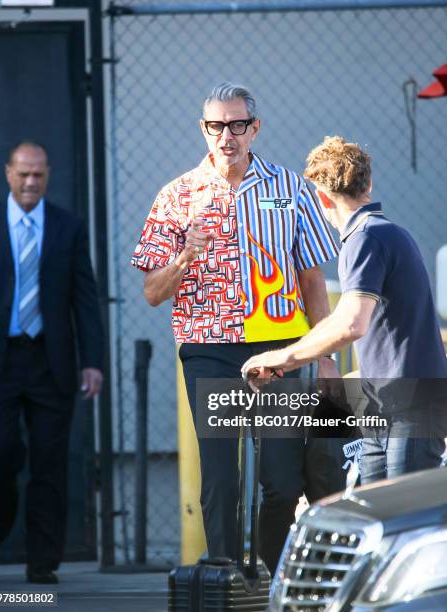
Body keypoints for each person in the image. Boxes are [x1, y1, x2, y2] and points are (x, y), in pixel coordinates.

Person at [131, 83, 342, 575]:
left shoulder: (290, 189)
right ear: (204, 129)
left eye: (237, 124)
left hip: (281, 349)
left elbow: (312, 277)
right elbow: (152, 292)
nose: (227, 136)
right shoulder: (176, 195)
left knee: (283, 481)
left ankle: (269, 579)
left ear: (255, 128)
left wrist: (326, 351)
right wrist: (186, 256)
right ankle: (224, 577)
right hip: (209, 348)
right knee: (222, 476)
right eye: (216, 126)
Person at [242, 135, 447, 484]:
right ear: (368, 183)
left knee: (402, 522)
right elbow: (345, 318)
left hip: (410, 407)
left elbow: (352, 325)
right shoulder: (384, 233)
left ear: (322, 198)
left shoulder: (366, 238)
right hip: (385, 407)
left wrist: (281, 359)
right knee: (373, 518)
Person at [0, 142, 104, 584]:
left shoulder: (67, 227)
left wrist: (91, 360)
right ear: (8, 174)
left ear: (48, 175)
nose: (30, 182)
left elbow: (85, 298)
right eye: (23, 174)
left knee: (50, 462)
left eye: (37, 175)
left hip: (51, 360)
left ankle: (42, 561)